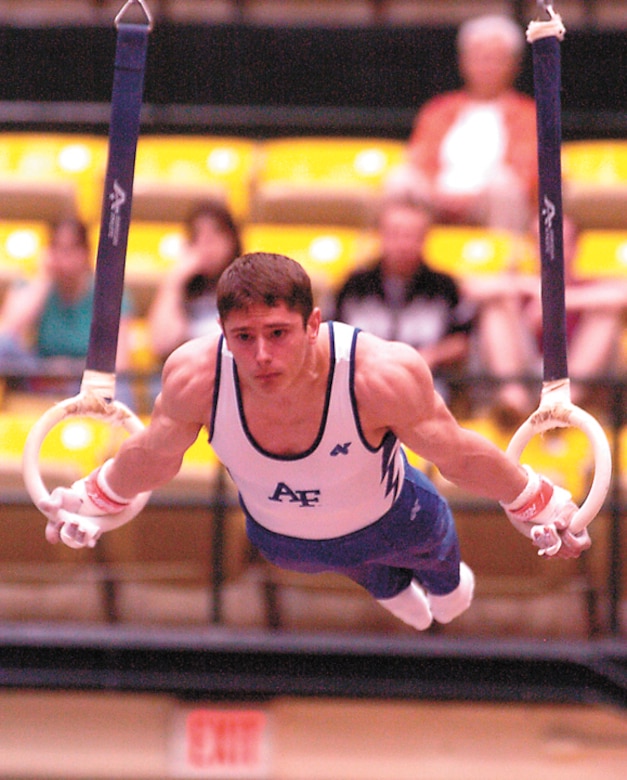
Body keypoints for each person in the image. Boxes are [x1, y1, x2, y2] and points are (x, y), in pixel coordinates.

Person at [39, 252, 590, 633]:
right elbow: (154, 457)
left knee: (446, 590)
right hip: (282, 542)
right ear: (222, 333)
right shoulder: (198, 374)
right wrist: (96, 495)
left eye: (277, 333)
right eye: (243, 338)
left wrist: (534, 496)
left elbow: (457, 454)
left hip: (388, 522)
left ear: (314, 324)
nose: (260, 357)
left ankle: (438, 585)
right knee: (359, 557)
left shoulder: (377, 373)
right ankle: (394, 584)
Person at [467, 214, 627, 425]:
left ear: (576, 247)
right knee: (495, 309)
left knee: (605, 317)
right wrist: (533, 289)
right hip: (524, 374)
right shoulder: (520, 287)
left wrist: (558, 301)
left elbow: (621, 294)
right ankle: (513, 401)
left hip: (576, 378)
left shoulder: (588, 286)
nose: (549, 248)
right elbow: (470, 288)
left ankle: (562, 409)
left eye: (559, 240)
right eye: (540, 240)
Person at [385, 14, 537, 234]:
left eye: (494, 58)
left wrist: (469, 199)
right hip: (437, 198)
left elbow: (526, 174)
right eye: (479, 58)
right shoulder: (438, 109)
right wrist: (440, 195)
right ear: (464, 61)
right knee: (401, 180)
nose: (486, 66)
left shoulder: (528, 114)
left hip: (490, 201)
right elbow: (419, 159)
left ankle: (503, 263)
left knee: (505, 187)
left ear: (514, 65)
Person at [334, 197, 475, 403]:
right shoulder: (353, 285)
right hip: (359, 384)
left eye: (411, 236)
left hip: (427, 385)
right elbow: (330, 335)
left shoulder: (444, 286)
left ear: (425, 239)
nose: (403, 244)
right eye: (395, 235)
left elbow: (462, 341)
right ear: (380, 236)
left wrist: (430, 356)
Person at [0, 217, 134, 400]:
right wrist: (44, 278)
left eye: (71, 249)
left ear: (86, 252)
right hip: (42, 375)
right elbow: (7, 331)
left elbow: (120, 362)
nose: (64, 258)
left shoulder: (109, 293)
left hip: (85, 380)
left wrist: (70, 369)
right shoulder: (34, 284)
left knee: (121, 390)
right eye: (57, 248)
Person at [148, 200, 242, 361]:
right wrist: (175, 281)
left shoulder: (246, 284)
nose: (206, 244)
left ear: (232, 239)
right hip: (192, 371)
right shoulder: (182, 286)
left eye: (215, 234)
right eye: (198, 235)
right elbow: (161, 344)